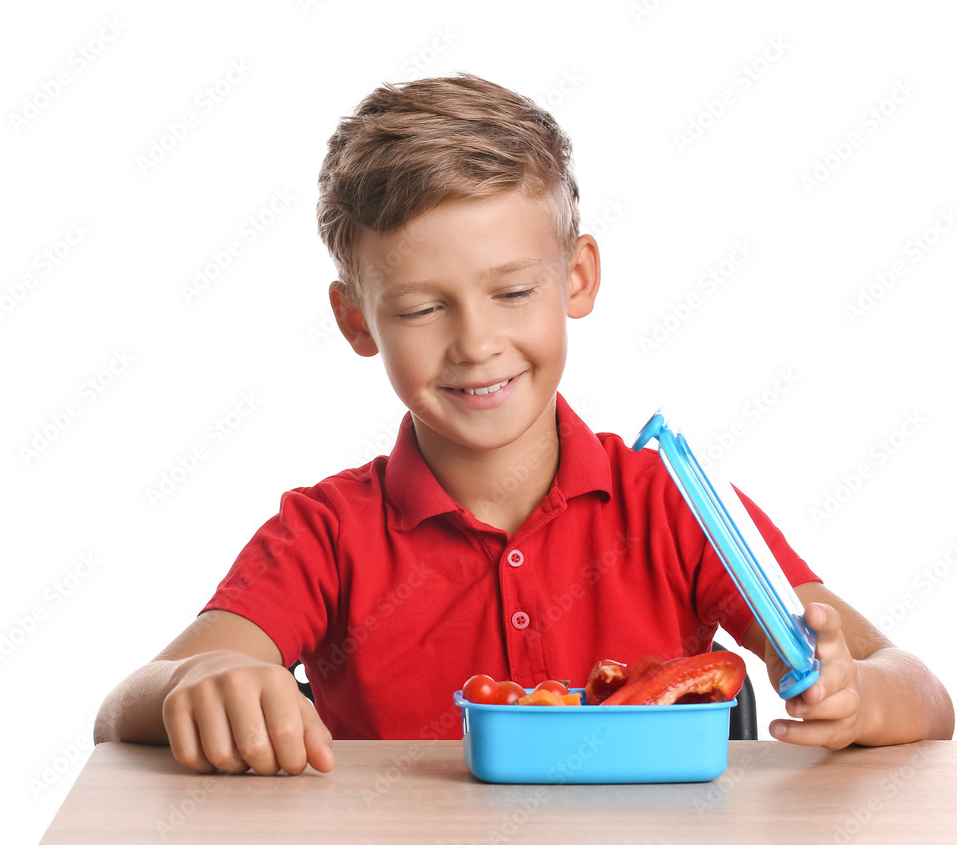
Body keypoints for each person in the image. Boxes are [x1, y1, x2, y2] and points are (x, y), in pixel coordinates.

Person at [94, 73, 954, 776]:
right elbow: (126, 702)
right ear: (358, 322)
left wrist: (854, 694)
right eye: (424, 307)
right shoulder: (324, 535)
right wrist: (208, 676)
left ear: (577, 278)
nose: (476, 343)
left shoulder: (672, 505)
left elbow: (917, 689)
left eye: (512, 292)